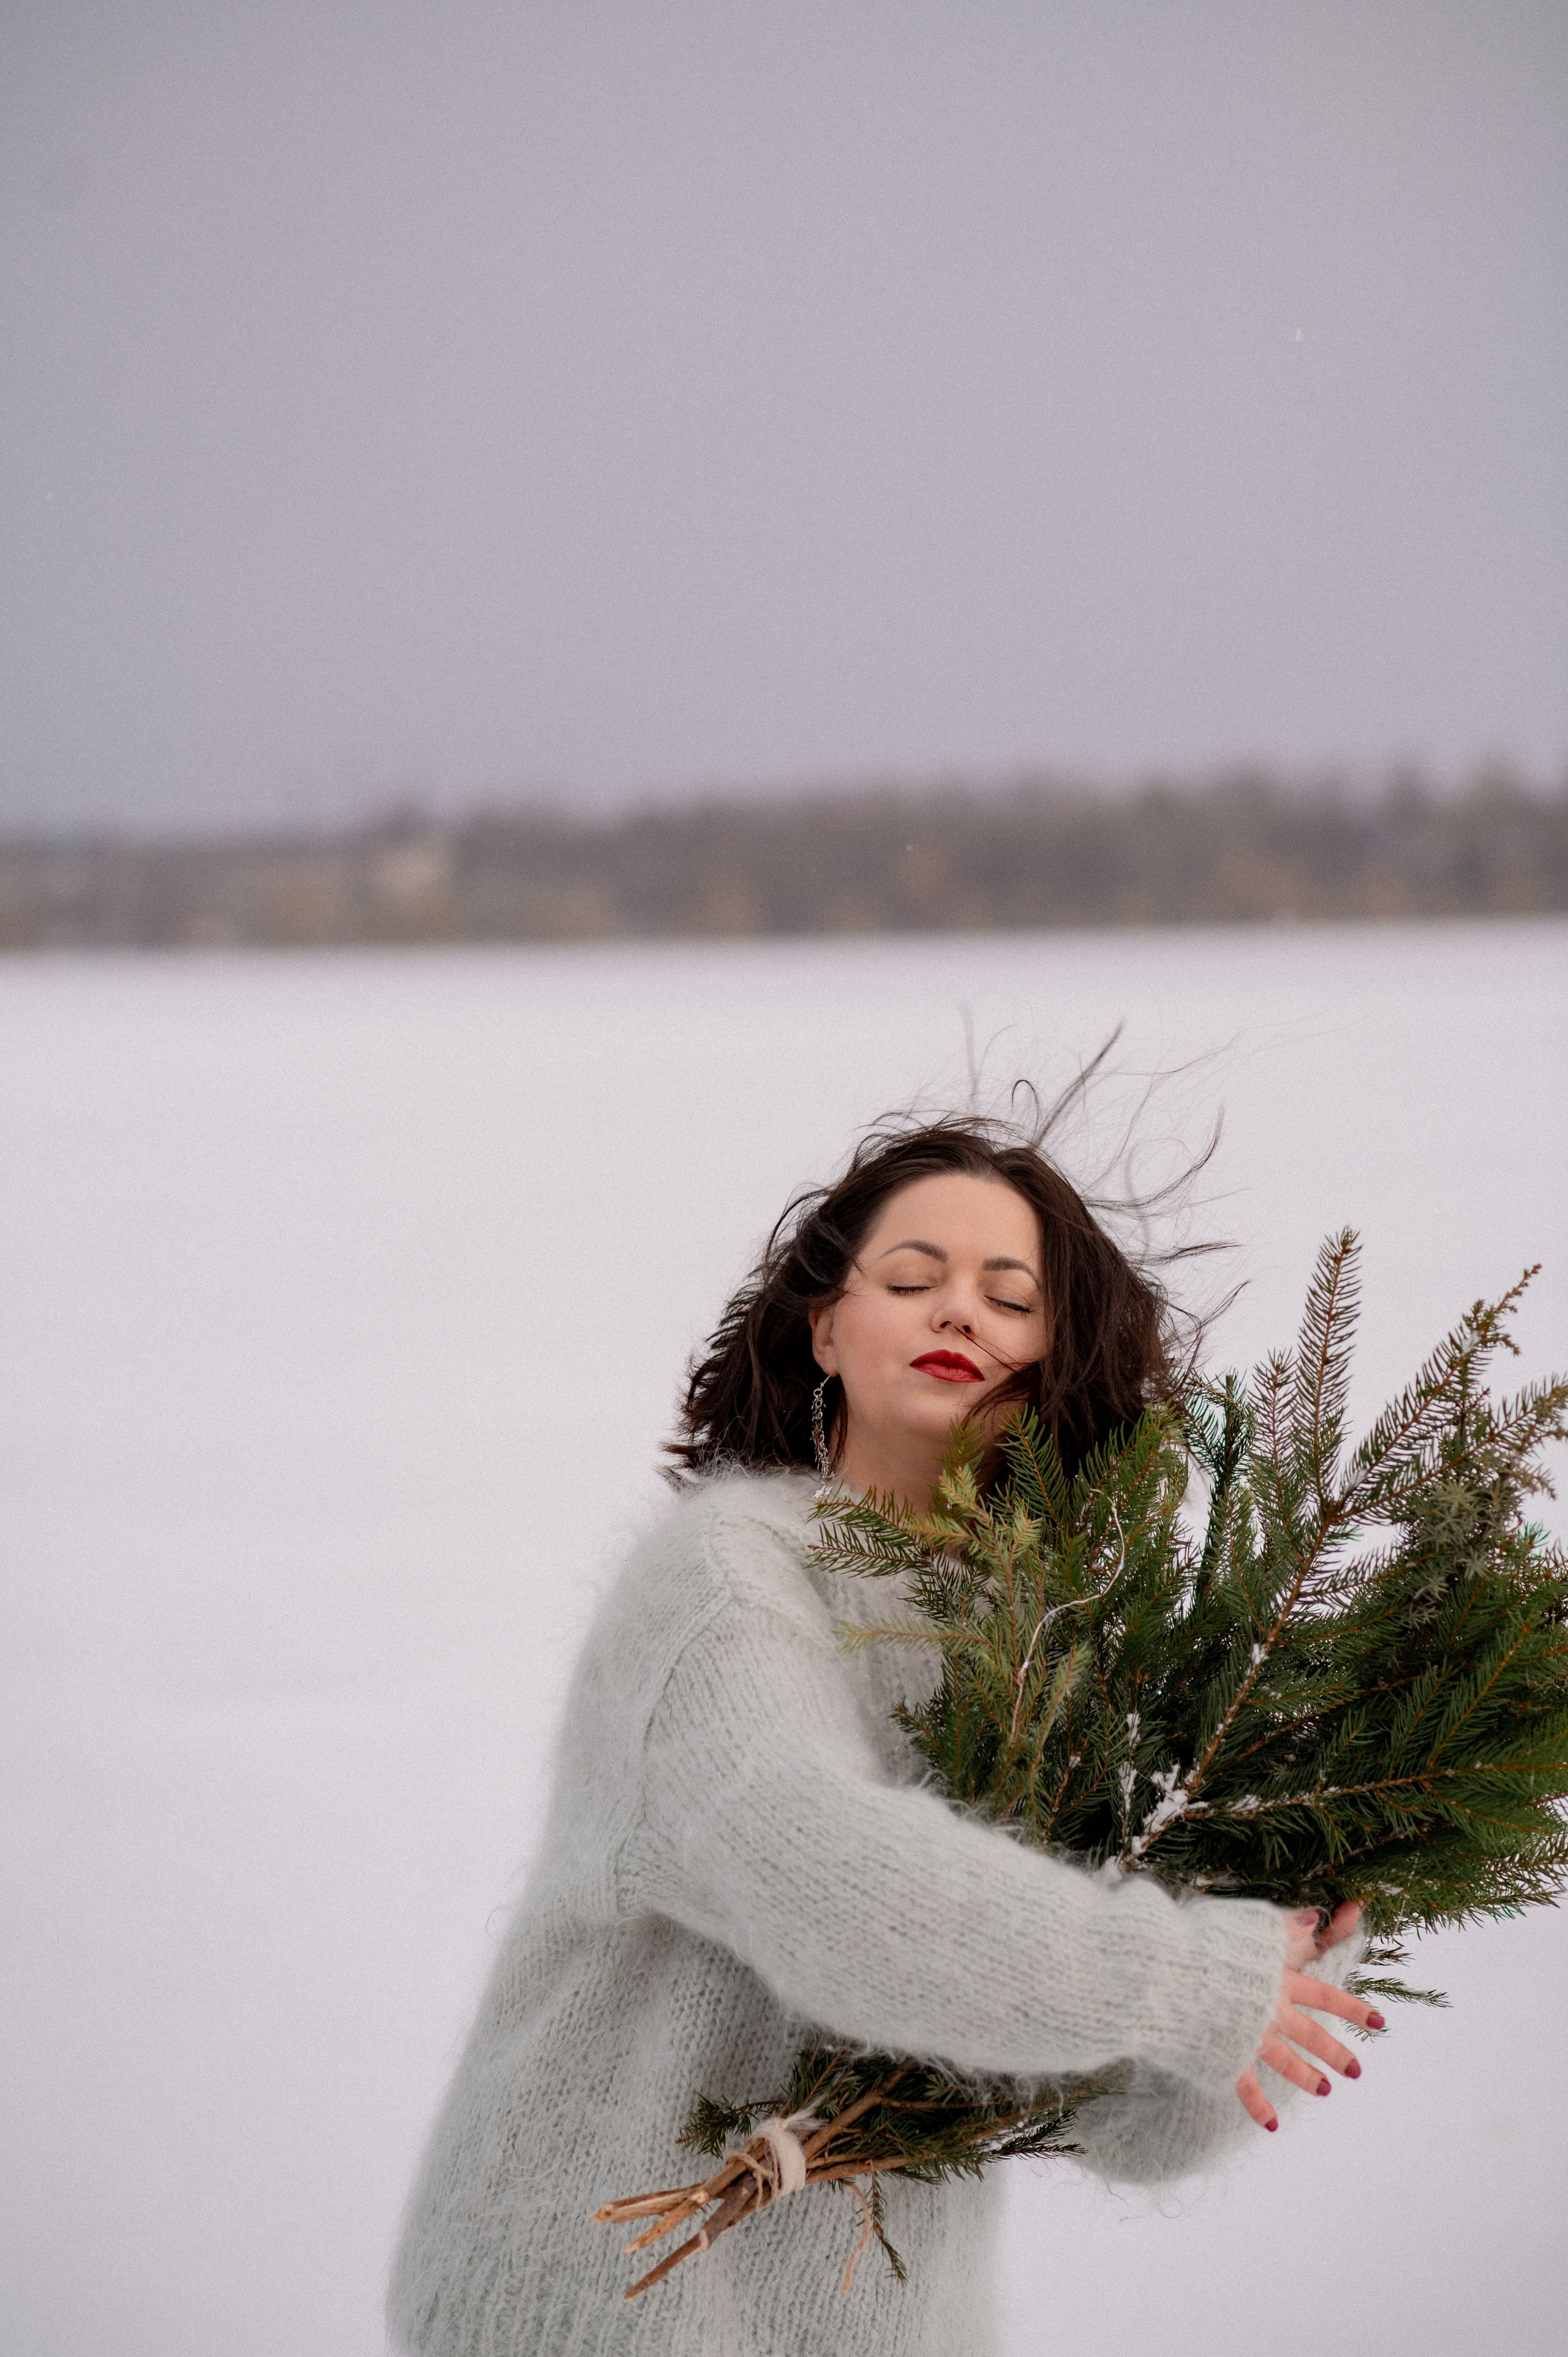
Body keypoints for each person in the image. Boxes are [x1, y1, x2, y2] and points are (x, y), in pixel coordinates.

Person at [388, 1112, 1376, 2357]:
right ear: (824, 1328)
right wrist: (1181, 1976)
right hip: (601, 2304)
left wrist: (1292, 1953)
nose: (957, 1313)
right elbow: (822, 1874)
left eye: (1008, 1299)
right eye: (912, 1279)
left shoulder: (1040, 1654)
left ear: (1053, 1361)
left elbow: (1120, 2118)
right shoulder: (720, 1581)